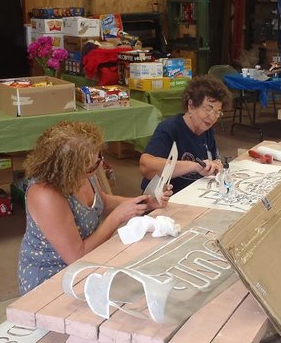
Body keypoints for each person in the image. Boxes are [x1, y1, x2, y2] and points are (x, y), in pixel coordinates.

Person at [17, 120, 170, 294]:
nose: (100, 165)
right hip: (52, 276)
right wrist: (116, 218)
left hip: (87, 262)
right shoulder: (45, 194)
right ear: (70, 167)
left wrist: (144, 203)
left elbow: (102, 201)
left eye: (99, 158)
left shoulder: (83, 174)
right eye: (94, 164)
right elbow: (76, 256)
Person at [139, 76, 233, 193]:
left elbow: (212, 161)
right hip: (166, 199)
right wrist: (194, 166)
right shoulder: (170, 128)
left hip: (194, 194)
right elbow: (146, 166)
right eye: (208, 109)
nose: (213, 117)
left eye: (218, 112)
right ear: (191, 105)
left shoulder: (206, 131)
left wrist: (215, 165)